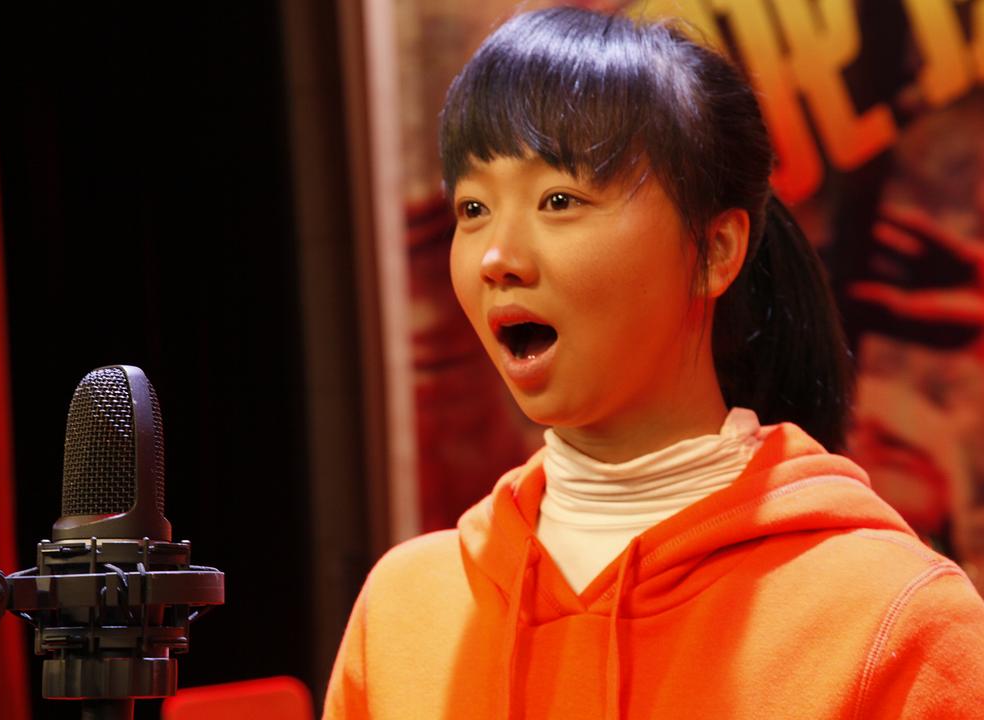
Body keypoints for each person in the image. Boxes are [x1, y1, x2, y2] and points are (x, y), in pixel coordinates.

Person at [323, 7, 984, 718]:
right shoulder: (404, 610)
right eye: (473, 208)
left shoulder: (896, 620)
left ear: (716, 251)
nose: (497, 258)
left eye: (558, 200)